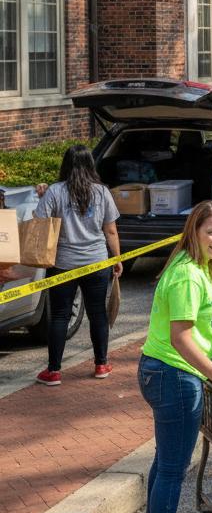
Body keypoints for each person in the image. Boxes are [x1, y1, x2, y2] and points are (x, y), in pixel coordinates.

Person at [139, 200, 212, 513]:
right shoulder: (186, 276)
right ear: (194, 231)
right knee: (172, 469)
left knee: (164, 462)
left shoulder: (191, 267)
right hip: (174, 377)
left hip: (165, 374)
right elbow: (181, 339)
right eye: (211, 231)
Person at [33, 145, 123, 386]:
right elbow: (111, 230)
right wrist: (117, 258)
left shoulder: (55, 191)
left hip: (63, 264)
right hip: (96, 262)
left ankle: (53, 371)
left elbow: (40, 222)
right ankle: (101, 364)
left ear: (65, 165)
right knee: (98, 315)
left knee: (60, 316)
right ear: (90, 165)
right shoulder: (102, 192)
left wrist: (43, 198)